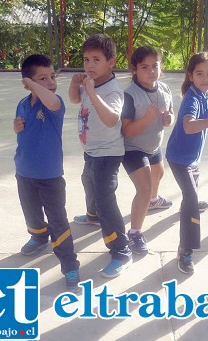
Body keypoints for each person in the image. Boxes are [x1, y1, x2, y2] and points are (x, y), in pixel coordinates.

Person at [13, 54, 80, 293]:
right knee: (31, 212)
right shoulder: (23, 103)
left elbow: (51, 103)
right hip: (24, 172)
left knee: (58, 221)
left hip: (50, 176)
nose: (51, 81)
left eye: (52, 76)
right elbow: (22, 125)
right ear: (27, 81)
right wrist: (16, 126)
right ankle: (39, 237)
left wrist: (36, 85)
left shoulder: (55, 102)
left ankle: (69, 264)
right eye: (43, 77)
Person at [68, 33, 132, 278]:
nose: (89, 65)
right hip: (91, 150)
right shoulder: (89, 82)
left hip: (108, 153)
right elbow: (75, 100)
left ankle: (121, 250)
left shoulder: (113, 91)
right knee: (88, 181)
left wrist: (92, 92)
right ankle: (93, 216)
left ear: (111, 62)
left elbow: (111, 119)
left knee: (106, 199)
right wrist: (77, 85)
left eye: (96, 59)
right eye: (86, 60)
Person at [165, 51, 208, 274]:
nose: (205, 78)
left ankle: (188, 205)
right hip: (179, 159)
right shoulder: (192, 98)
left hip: (192, 158)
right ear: (191, 76)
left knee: (190, 197)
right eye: (200, 73)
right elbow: (189, 126)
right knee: (191, 198)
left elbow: (202, 120)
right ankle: (185, 250)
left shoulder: (205, 94)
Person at [120, 46, 175, 256]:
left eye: (155, 66)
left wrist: (169, 119)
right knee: (143, 188)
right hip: (133, 148)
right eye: (145, 67)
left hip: (154, 145)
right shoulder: (129, 95)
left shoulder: (164, 89)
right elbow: (127, 131)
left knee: (158, 174)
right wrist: (147, 119)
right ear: (134, 69)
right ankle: (134, 233)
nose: (151, 71)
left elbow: (171, 113)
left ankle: (153, 201)